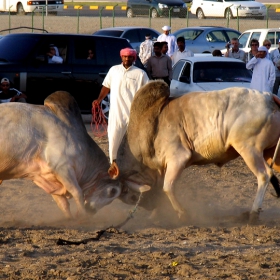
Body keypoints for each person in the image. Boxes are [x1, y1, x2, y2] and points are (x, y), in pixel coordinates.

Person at [92, 48, 149, 167]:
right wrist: (99, 100)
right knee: (113, 139)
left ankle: (132, 168)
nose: (127, 59)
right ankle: (113, 165)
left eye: (129, 57)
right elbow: (106, 87)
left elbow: (147, 92)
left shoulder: (140, 73)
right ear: (121, 57)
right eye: (125, 56)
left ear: (134, 58)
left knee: (132, 144)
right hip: (116, 114)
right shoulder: (114, 70)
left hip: (133, 115)